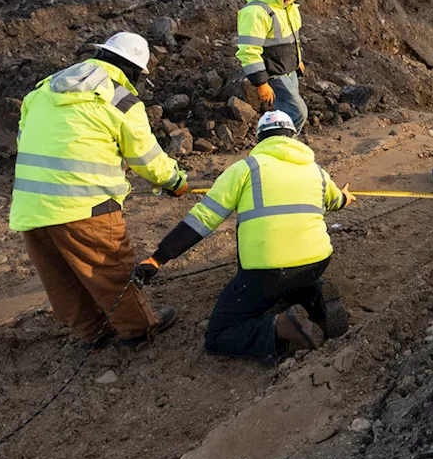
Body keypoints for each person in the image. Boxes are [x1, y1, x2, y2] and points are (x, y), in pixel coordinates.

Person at [9, 32, 188, 349]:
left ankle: (91, 332)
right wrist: (174, 181)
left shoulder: (44, 89)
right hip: (85, 206)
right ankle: (137, 329)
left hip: (30, 205)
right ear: (133, 70)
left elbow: (28, 139)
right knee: (110, 270)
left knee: (60, 276)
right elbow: (147, 158)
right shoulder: (119, 99)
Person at [131, 110, 355, 363]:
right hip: (317, 262)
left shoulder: (245, 168)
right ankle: (314, 297)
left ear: (260, 138)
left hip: (267, 271)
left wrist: (158, 258)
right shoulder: (317, 171)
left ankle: (280, 328)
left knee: (219, 334)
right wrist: (346, 195)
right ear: (293, 136)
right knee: (292, 281)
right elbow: (337, 201)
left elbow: (202, 220)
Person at [237, 0, 308, 132]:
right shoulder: (256, 11)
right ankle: (284, 149)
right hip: (274, 74)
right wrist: (261, 83)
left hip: (288, 70)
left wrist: (297, 60)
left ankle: (282, 148)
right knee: (298, 113)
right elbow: (249, 51)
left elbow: (290, 38)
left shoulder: (287, 7)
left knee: (286, 116)